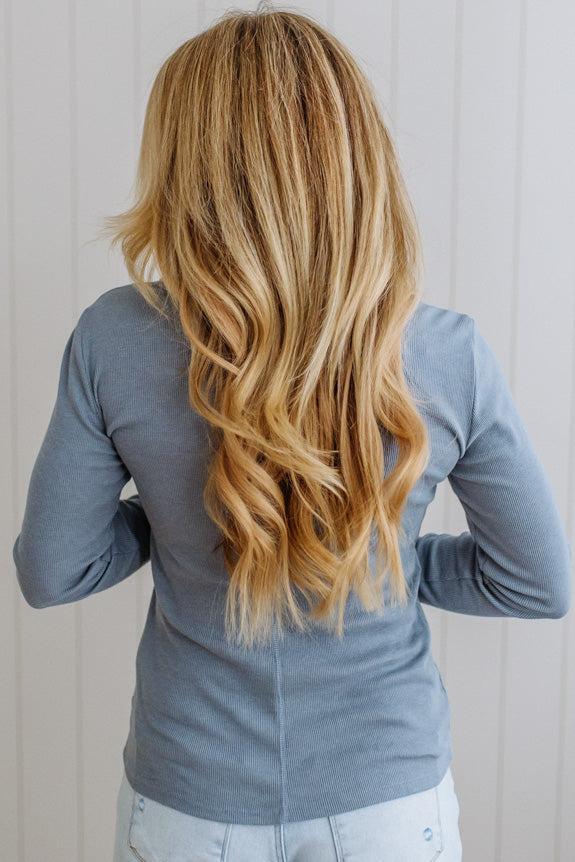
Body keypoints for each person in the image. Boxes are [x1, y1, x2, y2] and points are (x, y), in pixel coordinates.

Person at [12, 7, 571, 861]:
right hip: (389, 802)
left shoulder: (114, 339)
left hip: (188, 800)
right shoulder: (444, 352)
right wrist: (392, 557)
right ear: (357, 159)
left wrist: (169, 520)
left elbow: (52, 570)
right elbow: (536, 581)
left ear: (182, 164)